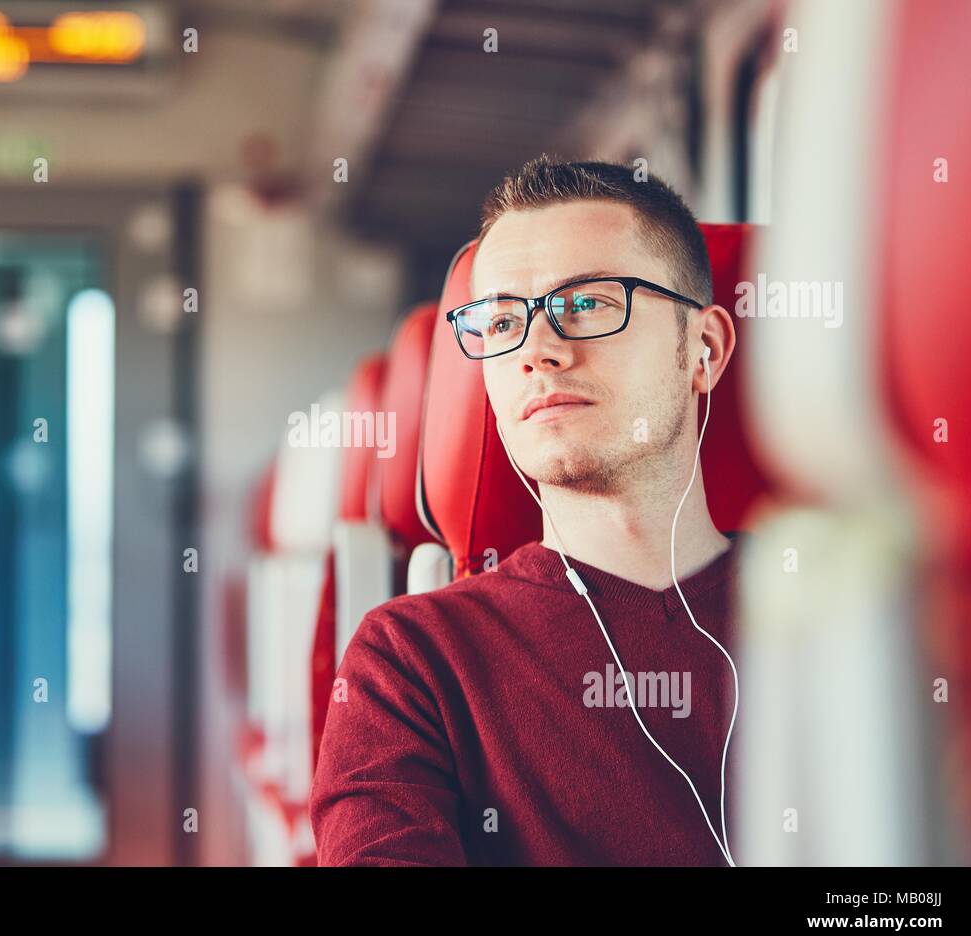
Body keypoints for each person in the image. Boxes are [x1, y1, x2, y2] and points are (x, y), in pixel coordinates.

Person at [309, 157, 742, 865]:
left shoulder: (847, 620)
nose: (538, 352)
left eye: (591, 303)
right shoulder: (412, 659)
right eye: (504, 319)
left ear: (704, 349)